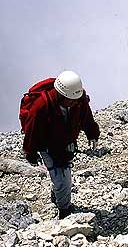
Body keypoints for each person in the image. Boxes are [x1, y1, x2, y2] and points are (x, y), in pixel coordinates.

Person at [22, 70, 100, 219]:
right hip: (47, 145)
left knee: (62, 178)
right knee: (63, 180)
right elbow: (32, 130)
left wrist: (92, 133)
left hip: (66, 143)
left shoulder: (77, 97)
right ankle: (64, 211)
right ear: (60, 94)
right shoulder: (42, 105)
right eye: (71, 100)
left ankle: (57, 194)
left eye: (76, 100)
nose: (75, 103)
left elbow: (86, 116)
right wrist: (30, 152)